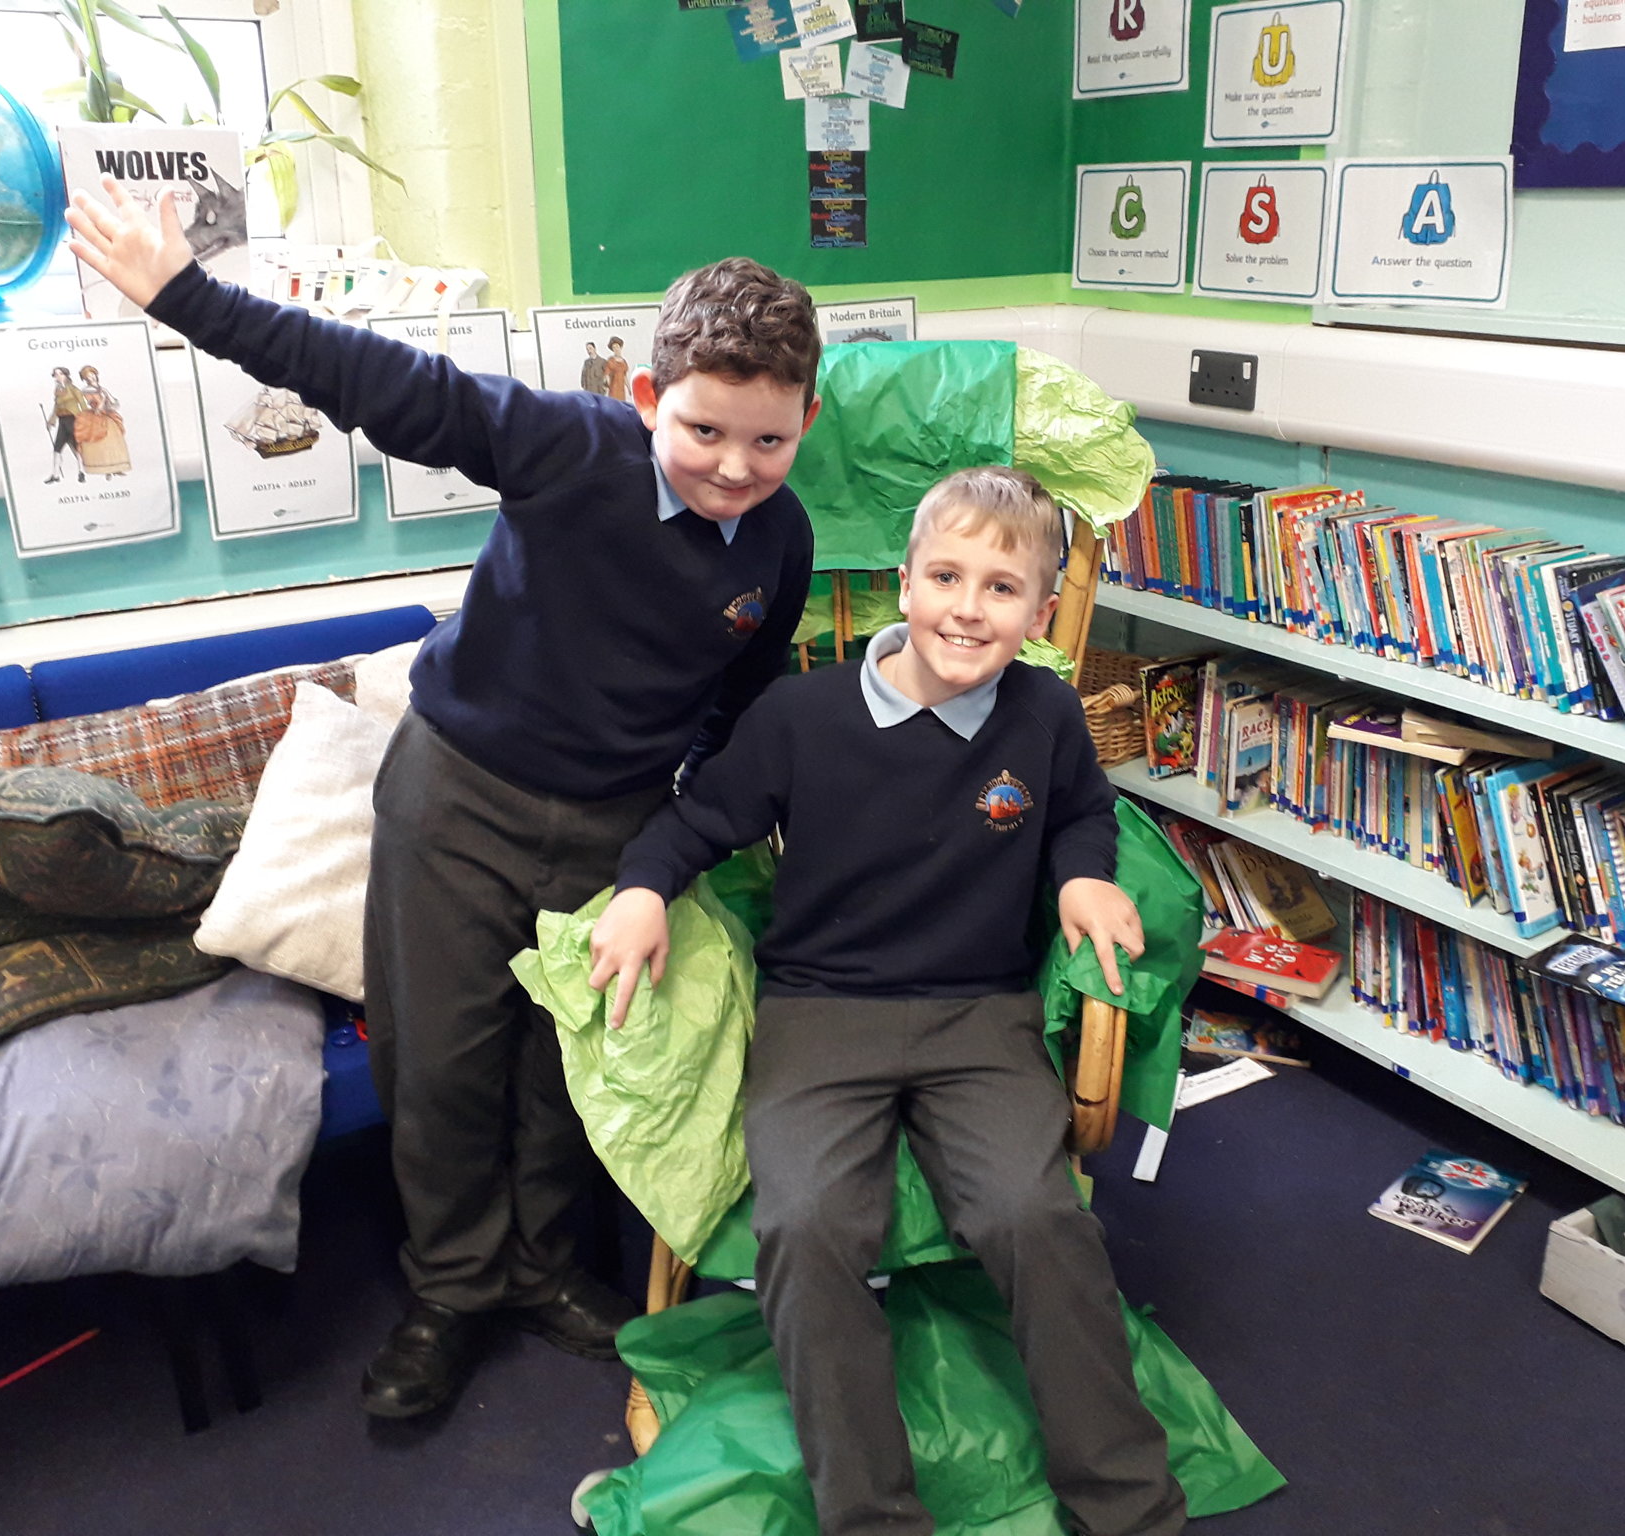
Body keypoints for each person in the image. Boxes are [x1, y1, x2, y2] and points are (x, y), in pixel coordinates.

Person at [63, 175, 824, 1421]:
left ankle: (536, 1272)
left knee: (563, 1066)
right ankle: (454, 1290)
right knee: (440, 1062)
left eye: (766, 440)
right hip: (457, 797)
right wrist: (186, 296)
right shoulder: (568, 446)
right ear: (646, 402)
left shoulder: (779, 542)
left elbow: (735, 702)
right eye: (700, 432)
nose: (732, 468)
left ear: (803, 420)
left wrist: (683, 838)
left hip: (614, 828)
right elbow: (382, 382)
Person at [589, 467, 1186, 1536]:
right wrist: (641, 889)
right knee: (810, 1226)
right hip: (821, 1015)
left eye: (1002, 588)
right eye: (946, 576)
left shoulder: (1043, 711)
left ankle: (1127, 1505)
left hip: (980, 1015)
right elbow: (696, 823)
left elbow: (1079, 815)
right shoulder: (798, 714)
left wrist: (1083, 872)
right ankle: (869, 1518)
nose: (967, 606)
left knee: (1034, 1215)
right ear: (903, 583)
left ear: (1039, 613)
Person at [74, 364, 132, 478]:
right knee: (101, 444)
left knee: (114, 444)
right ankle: (106, 471)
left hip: (108, 415)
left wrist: (107, 395)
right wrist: (103, 400)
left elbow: (114, 404)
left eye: (93, 375)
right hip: (96, 416)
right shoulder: (87, 391)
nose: (92, 378)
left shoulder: (102, 388)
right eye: (88, 376)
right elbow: (97, 408)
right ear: (85, 379)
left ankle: (116, 468)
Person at [44, 366, 86, 484]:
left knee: (77, 448)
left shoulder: (72, 389)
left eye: (60, 374)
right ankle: (55, 475)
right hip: (62, 421)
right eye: (56, 374)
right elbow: (56, 407)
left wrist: (86, 418)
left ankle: (81, 472)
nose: (57, 376)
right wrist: (51, 421)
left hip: (73, 420)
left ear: (66, 375)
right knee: (57, 449)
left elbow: (82, 403)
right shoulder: (58, 391)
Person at [604, 335, 630, 400]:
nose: (616, 349)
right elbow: (606, 375)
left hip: (621, 389)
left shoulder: (623, 362)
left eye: (617, 347)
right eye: (614, 347)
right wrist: (608, 386)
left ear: (620, 347)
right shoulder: (610, 360)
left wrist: (629, 388)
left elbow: (625, 376)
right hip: (613, 388)